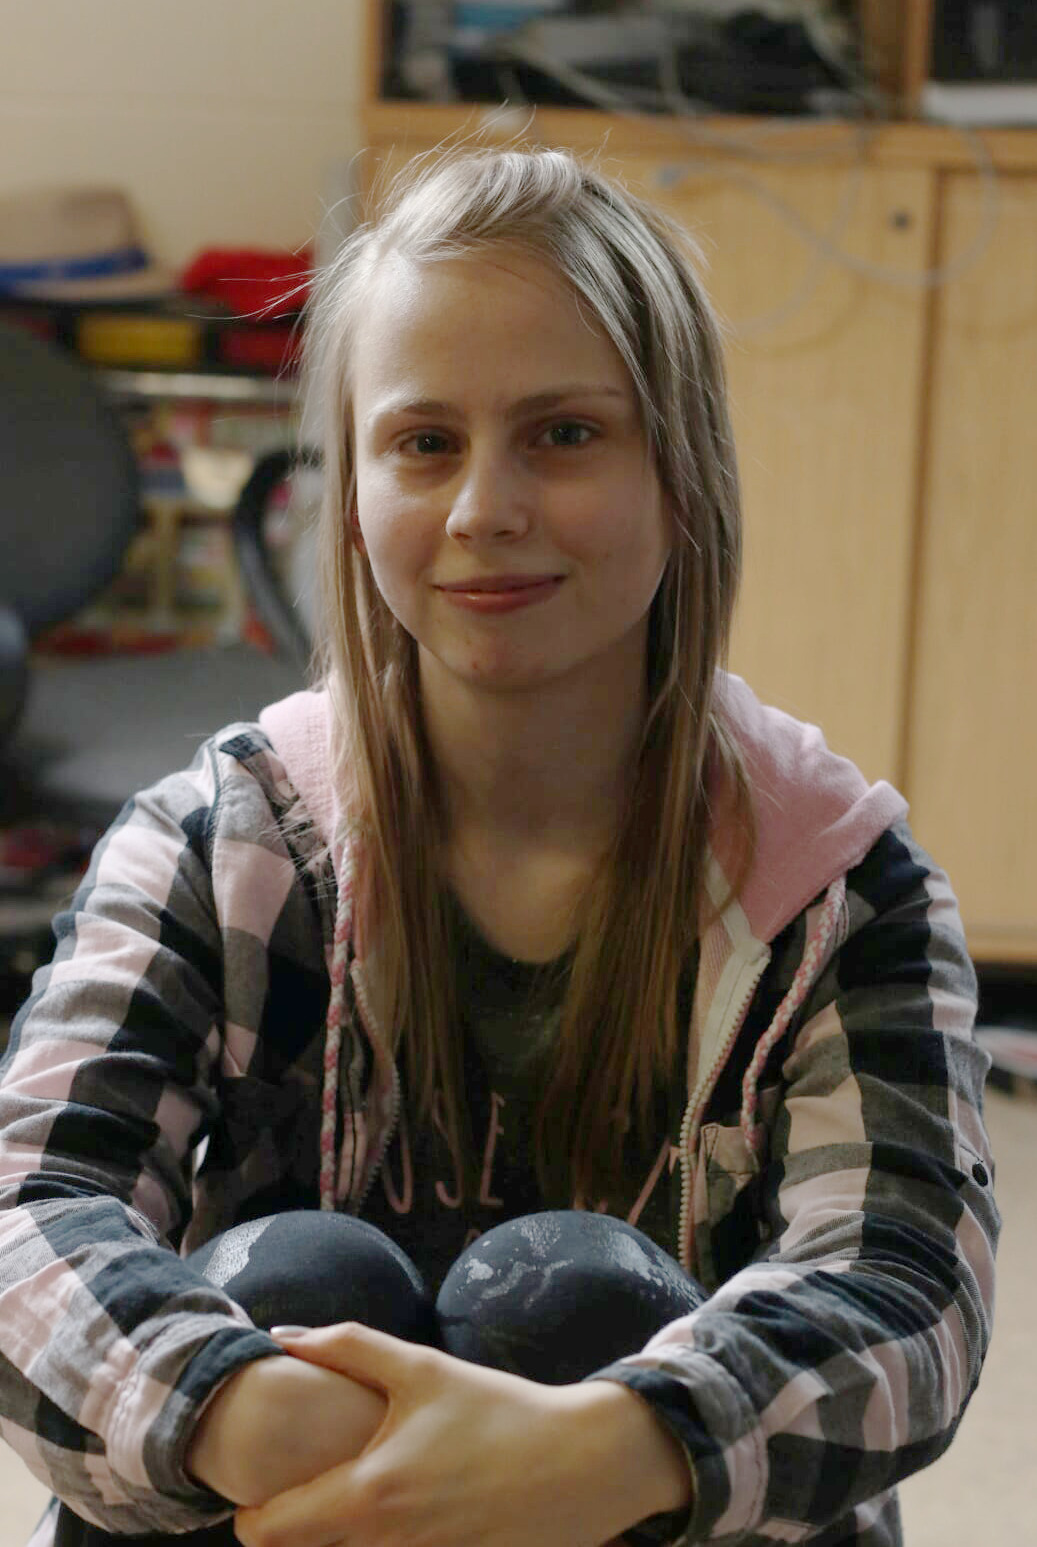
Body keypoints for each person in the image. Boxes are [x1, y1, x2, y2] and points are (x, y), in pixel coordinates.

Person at [0, 145, 998, 1547]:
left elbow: (905, 1285)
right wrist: (239, 1406)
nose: (485, 509)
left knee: (585, 1294)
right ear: (353, 490)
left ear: (683, 470)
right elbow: (33, 1205)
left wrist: (614, 1446)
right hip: (300, 1501)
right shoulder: (221, 840)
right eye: (425, 442)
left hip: (639, 1509)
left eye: (565, 433)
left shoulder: (839, 888)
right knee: (298, 1286)